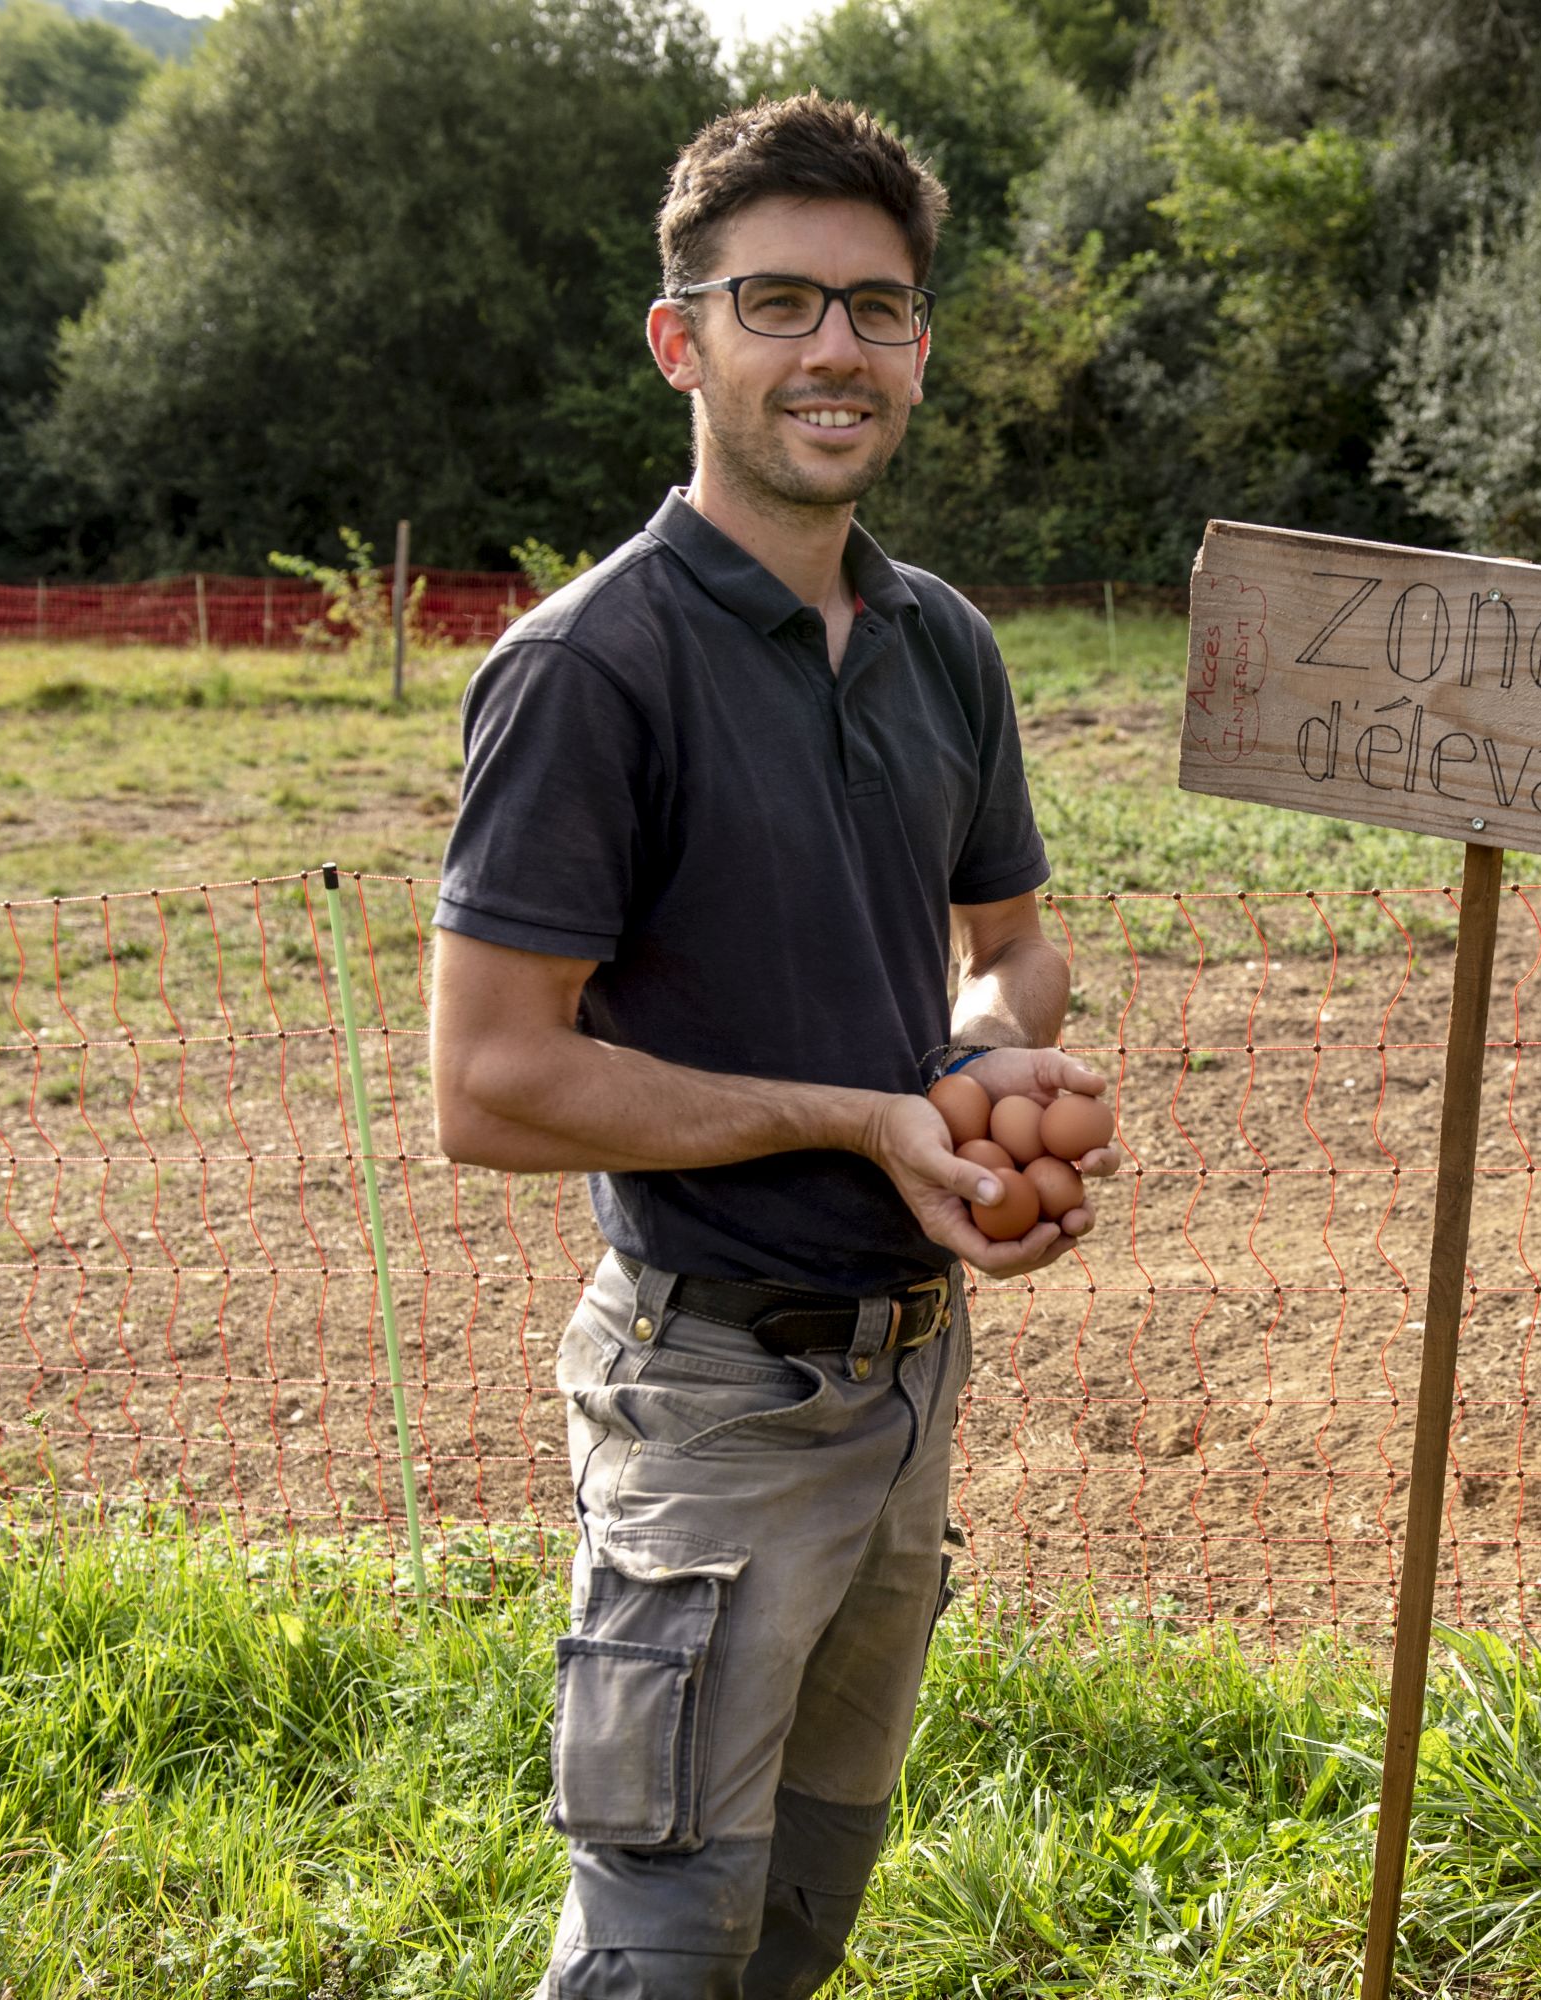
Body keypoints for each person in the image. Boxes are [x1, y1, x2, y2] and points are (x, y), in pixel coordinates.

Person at [427, 91, 1110, 2000]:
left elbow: (1012, 948)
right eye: (780, 302)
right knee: (659, 1950)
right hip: (712, 1397)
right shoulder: (591, 667)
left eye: (878, 309)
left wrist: (985, 1068)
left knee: (803, 1914)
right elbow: (488, 1083)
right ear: (683, 341)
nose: (836, 349)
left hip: (907, 1382)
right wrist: (862, 1119)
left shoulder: (941, 640)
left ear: (920, 349)